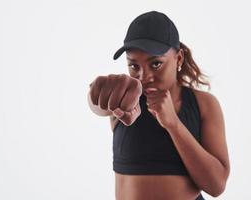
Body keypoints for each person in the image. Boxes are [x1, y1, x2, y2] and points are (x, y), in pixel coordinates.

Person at [88, 11, 230, 200]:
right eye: (133, 66)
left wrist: (173, 124)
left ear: (178, 59)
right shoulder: (125, 99)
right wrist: (98, 91)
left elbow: (216, 185)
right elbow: (98, 101)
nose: (144, 77)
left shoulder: (203, 104)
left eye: (155, 64)